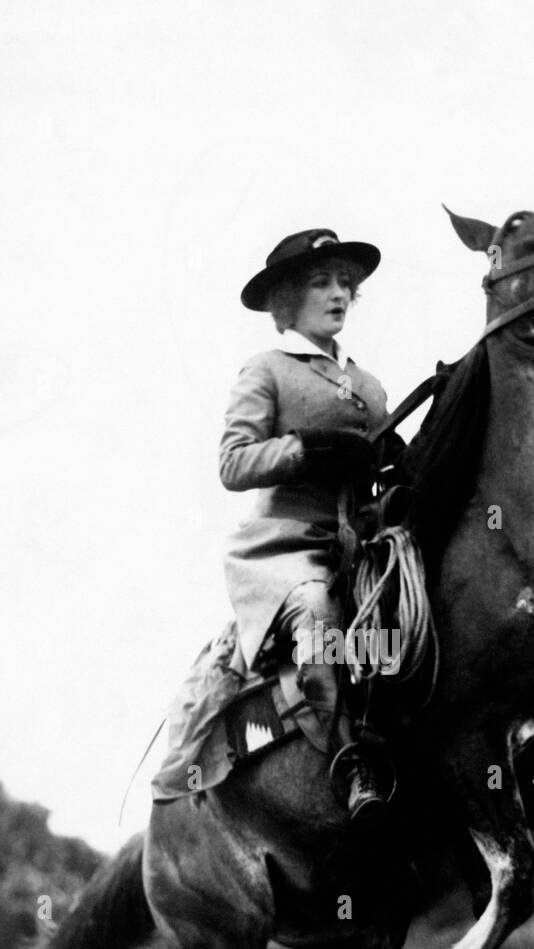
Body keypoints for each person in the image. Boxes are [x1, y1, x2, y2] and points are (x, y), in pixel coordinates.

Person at [219, 228, 393, 820]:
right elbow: (233, 462)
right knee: (318, 612)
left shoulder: (370, 386)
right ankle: (352, 765)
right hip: (287, 549)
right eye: (322, 282)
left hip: (362, 543)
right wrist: (306, 449)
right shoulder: (266, 370)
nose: (339, 293)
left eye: (345, 282)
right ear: (288, 300)